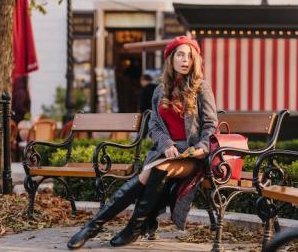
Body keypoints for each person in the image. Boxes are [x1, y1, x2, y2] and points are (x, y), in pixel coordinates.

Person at [67, 35, 218, 249]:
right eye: (181, 55)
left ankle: (104, 227)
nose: (186, 60)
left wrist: (201, 149)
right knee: (154, 170)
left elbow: (211, 125)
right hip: (166, 152)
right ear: (170, 58)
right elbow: (154, 127)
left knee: (153, 170)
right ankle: (108, 227)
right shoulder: (159, 91)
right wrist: (166, 144)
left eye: (190, 56)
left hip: (192, 156)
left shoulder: (201, 87)